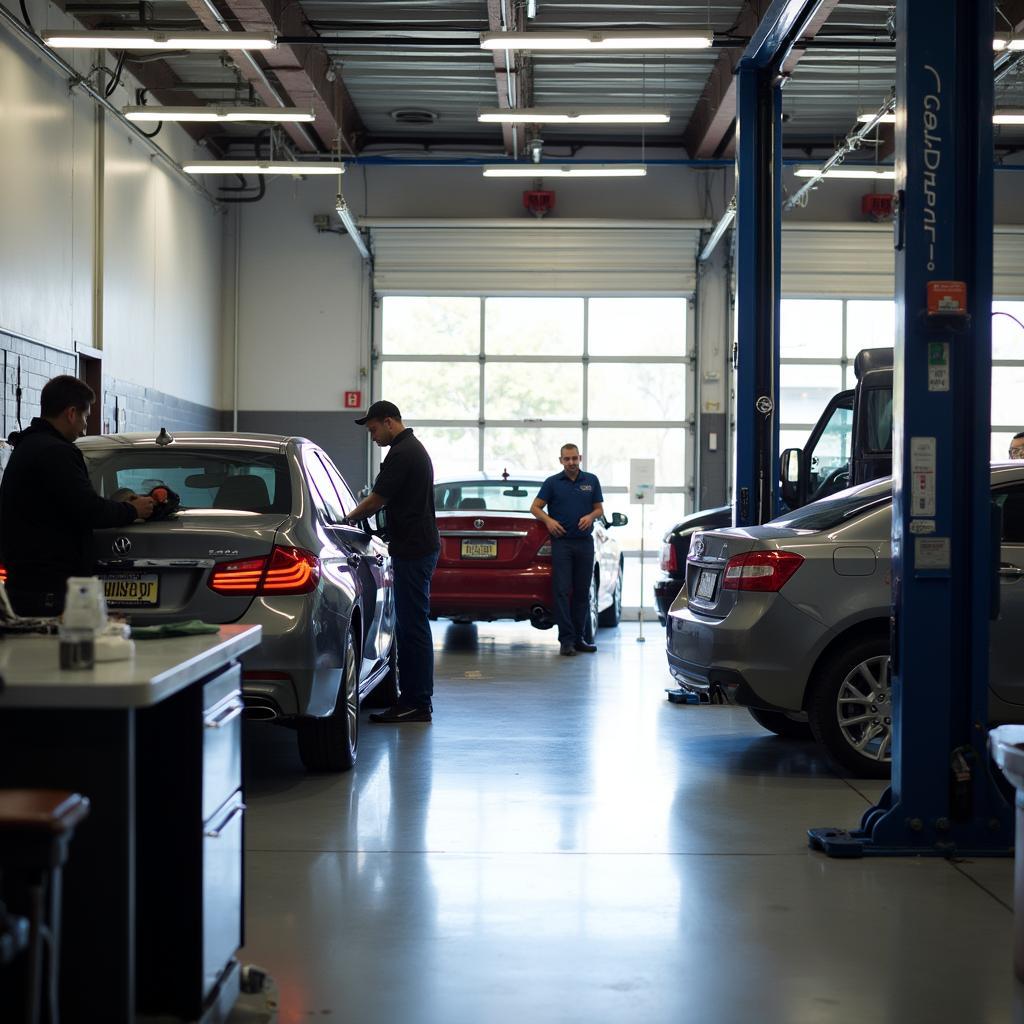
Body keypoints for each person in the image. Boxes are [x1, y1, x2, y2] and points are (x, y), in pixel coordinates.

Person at [0, 375, 155, 615]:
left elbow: (62, 504)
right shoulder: (56, 452)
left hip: (28, 584)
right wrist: (134, 510)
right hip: (49, 590)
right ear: (71, 413)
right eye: (85, 417)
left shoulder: (28, 446)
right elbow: (88, 509)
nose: (84, 426)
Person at [344, 400, 440, 723]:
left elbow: (375, 501)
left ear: (388, 422)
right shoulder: (411, 449)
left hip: (414, 549)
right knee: (412, 624)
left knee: (412, 627)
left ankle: (417, 702)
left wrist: (345, 518)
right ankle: (414, 698)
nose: (372, 437)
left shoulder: (402, 454)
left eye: (373, 430)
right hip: (416, 547)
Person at [531, 443, 604, 656]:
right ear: (561, 460)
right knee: (562, 591)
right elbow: (535, 507)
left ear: (580, 458)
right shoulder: (552, 483)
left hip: (584, 543)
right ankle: (566, 641)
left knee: (582, 592)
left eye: (574, 458)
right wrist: (548, 521)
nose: (571, 462)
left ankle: (579, 638)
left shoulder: (591, 481)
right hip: (562, 543)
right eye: (567, 459)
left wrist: (590, 516)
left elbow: (599, 509)